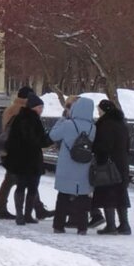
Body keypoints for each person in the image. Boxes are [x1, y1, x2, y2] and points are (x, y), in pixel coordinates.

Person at [0, 87, 51, 221]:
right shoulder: (23, 112)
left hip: (13, 153)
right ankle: (5, 209)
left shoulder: (14, 109)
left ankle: (30, 210)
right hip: (25, 155)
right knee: (22, 182)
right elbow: (33, 138)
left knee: (19, 182)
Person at [48, 95, 96, 234]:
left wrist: (62, 119)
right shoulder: (93, 128)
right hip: (84, 165)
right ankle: (82, 227)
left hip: (67, 165)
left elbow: (53, 135)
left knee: (63, 195)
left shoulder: (68, 124)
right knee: (82, 196)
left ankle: (59, 225)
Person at [92, 98, 132, 235]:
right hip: (122, 163)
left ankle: (111, 225)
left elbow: (103, 146)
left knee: (108, 192)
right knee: (121, 192)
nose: (99, 114)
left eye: (99, 111)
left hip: (108, 165)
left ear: (104, 111)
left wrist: (95, 150)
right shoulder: (122, 124)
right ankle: (125, 225)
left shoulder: (105, 125)